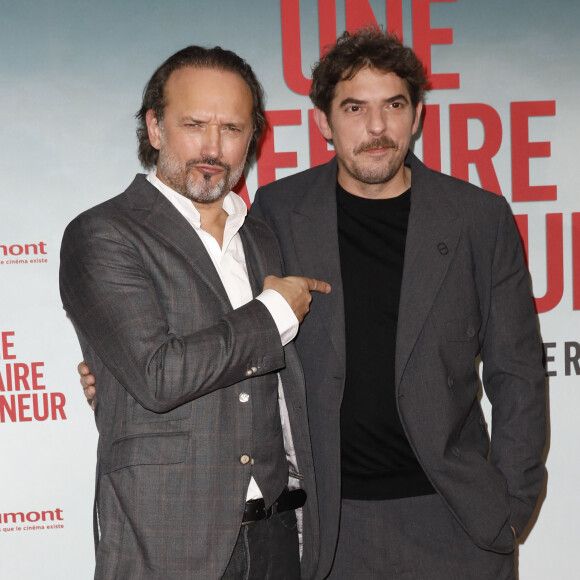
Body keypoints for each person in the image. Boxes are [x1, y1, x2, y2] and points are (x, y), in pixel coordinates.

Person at [80, 28, 547, 579]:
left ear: (417, 115)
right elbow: (208, 335)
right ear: (324, 123)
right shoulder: (278, 212)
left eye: (394, 105)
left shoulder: (478, 218)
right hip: (328, 529)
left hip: (457, 518)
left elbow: (518, 372)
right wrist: (120, 379)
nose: (376, 128)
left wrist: (511, 504)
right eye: (354, 108)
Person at [61, 45, 330, 580]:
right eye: (195, 124)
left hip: (279, 535)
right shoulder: (104, 234)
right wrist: (273, 310)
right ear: (155, 128)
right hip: (168, 542)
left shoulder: (263, 238)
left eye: (232, 128)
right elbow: (158, 375)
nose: (213, 147)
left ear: (251, 138)